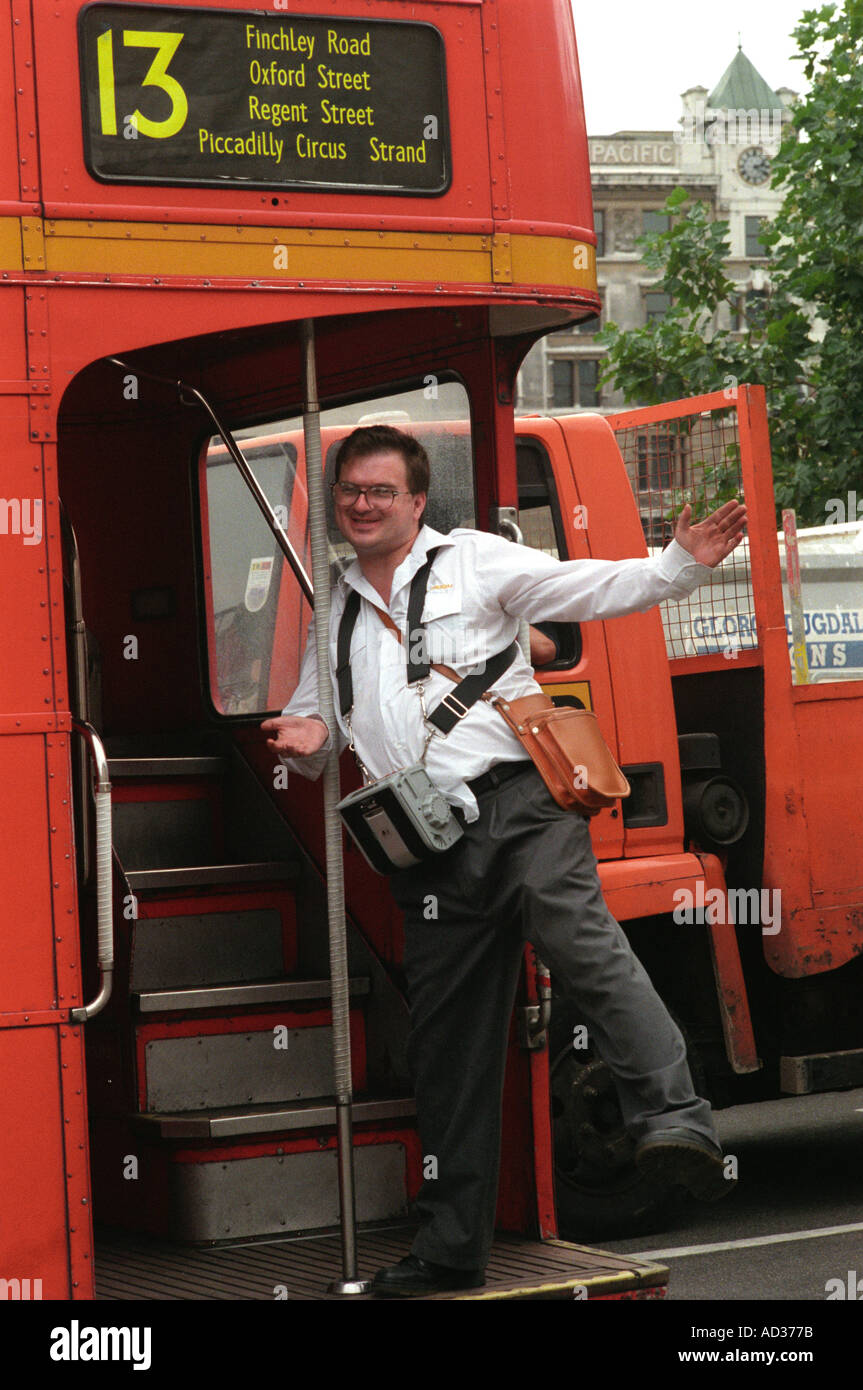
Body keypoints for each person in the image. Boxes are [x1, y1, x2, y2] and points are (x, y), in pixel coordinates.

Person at [262, 424, 746, 1298]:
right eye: (349, 494)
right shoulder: (330, 606)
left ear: (416, 503)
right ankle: (450, 1250)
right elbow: (319, 718)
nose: (362, 505)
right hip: (425, 846)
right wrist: (304, 739)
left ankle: (677, 1121)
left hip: (519, 806)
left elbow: (589, 587)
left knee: (584, 947)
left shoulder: (475, 561)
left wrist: (679, 565)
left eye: (380, 492)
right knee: (447, 1047)